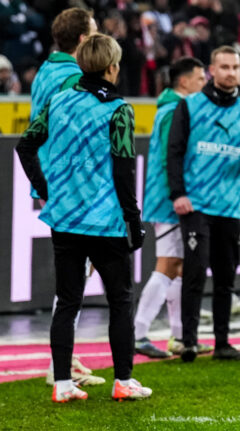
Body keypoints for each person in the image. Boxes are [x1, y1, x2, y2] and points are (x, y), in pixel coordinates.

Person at [16, 33, 152, 403]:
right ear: (112, 66)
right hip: (105, 220)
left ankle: (62, 384)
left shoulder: (58, 101)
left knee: (67, 300)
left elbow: (25, 144)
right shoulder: (118, 109)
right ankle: (123, 380)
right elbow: (124, 171)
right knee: (121, 300)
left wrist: (44, 188)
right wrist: (133, 219)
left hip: (65, 218)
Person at [167, 45, 240, 363]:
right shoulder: (190, 106)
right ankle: (188, 341)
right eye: (224, 67)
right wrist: (178, 194)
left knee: (226, 277)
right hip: (196, 204)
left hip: (229, 206)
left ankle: (223, 343)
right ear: (211, 70)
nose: (230, 73)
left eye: (235, 67)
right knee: (195, 273)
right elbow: (173, 152)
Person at [28, 7, 104, 388]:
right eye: (93, 31)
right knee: (76, 276)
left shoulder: (46, 70)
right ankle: (59, 363)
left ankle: (67, 357)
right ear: (81, 40)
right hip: (71, 184)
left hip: (52, 180)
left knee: (75, 274)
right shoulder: (73, 76)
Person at [134, 57, 207, 359]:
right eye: (200, 78)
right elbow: (169, 157)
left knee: (178, 266)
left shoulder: (170, 107)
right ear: (184, 81)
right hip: (168, 199)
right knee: (167, 264)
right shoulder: (174, 110)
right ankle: (138, 333)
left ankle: (179, 335)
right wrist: (178, 192)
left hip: (167, 196)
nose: (204, 83)